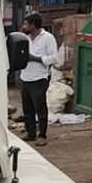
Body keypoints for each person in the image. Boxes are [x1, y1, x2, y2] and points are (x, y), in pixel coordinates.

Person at [20, 12, 58, 146]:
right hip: (25, 76)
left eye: (26, 24)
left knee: (40, 108)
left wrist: (35, 58)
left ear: (33, 25)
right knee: (27, 107)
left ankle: (42, 135)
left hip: (39, 77)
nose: (23, 26)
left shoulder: (48, 38)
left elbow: (53, 58)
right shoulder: (24, 38)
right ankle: (30, 133)